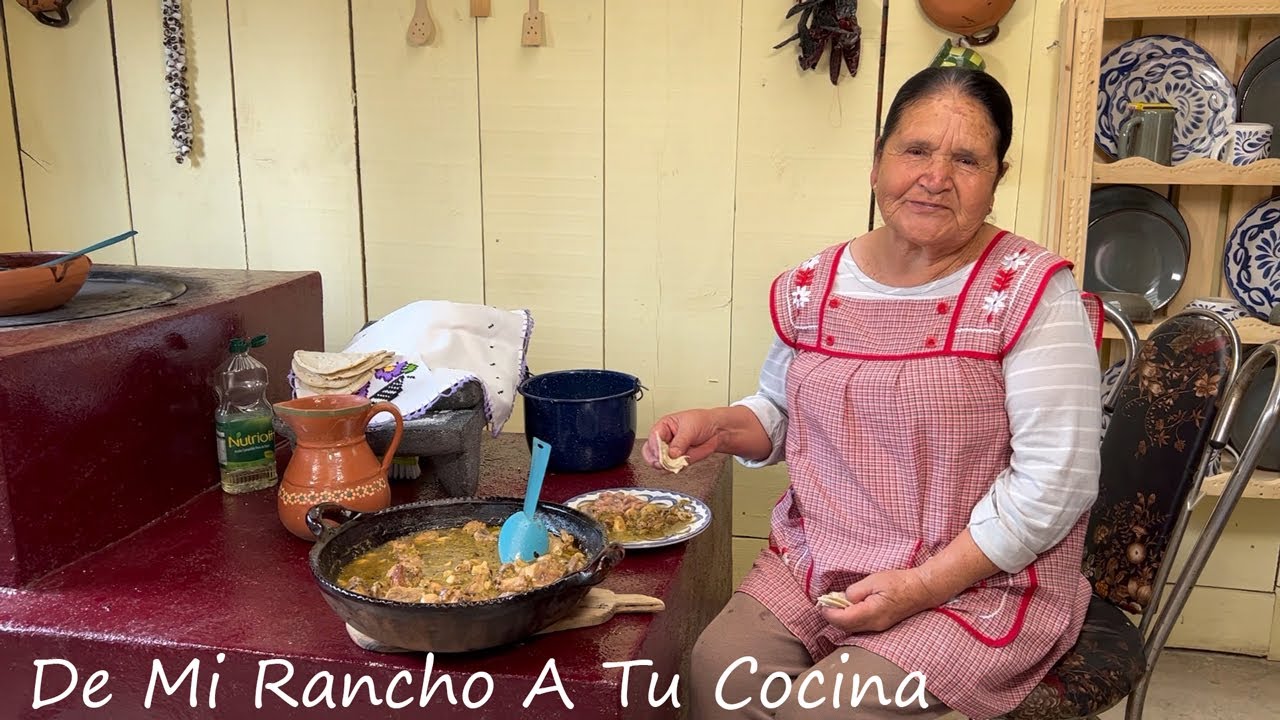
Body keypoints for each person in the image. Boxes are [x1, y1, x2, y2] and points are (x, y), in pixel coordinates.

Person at [643, 66, 1104, 719]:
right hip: (824, 554)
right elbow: (781, 411)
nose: (935, 177)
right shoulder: (817, 283)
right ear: (878, 161)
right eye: (915, 150)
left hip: (977, 578)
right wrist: (717, 426)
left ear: (997, 178)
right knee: (721, 670)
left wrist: (921, 587)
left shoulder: (1031, 291)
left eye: (966, 160)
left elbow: (1057, 481)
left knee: (825, 710)